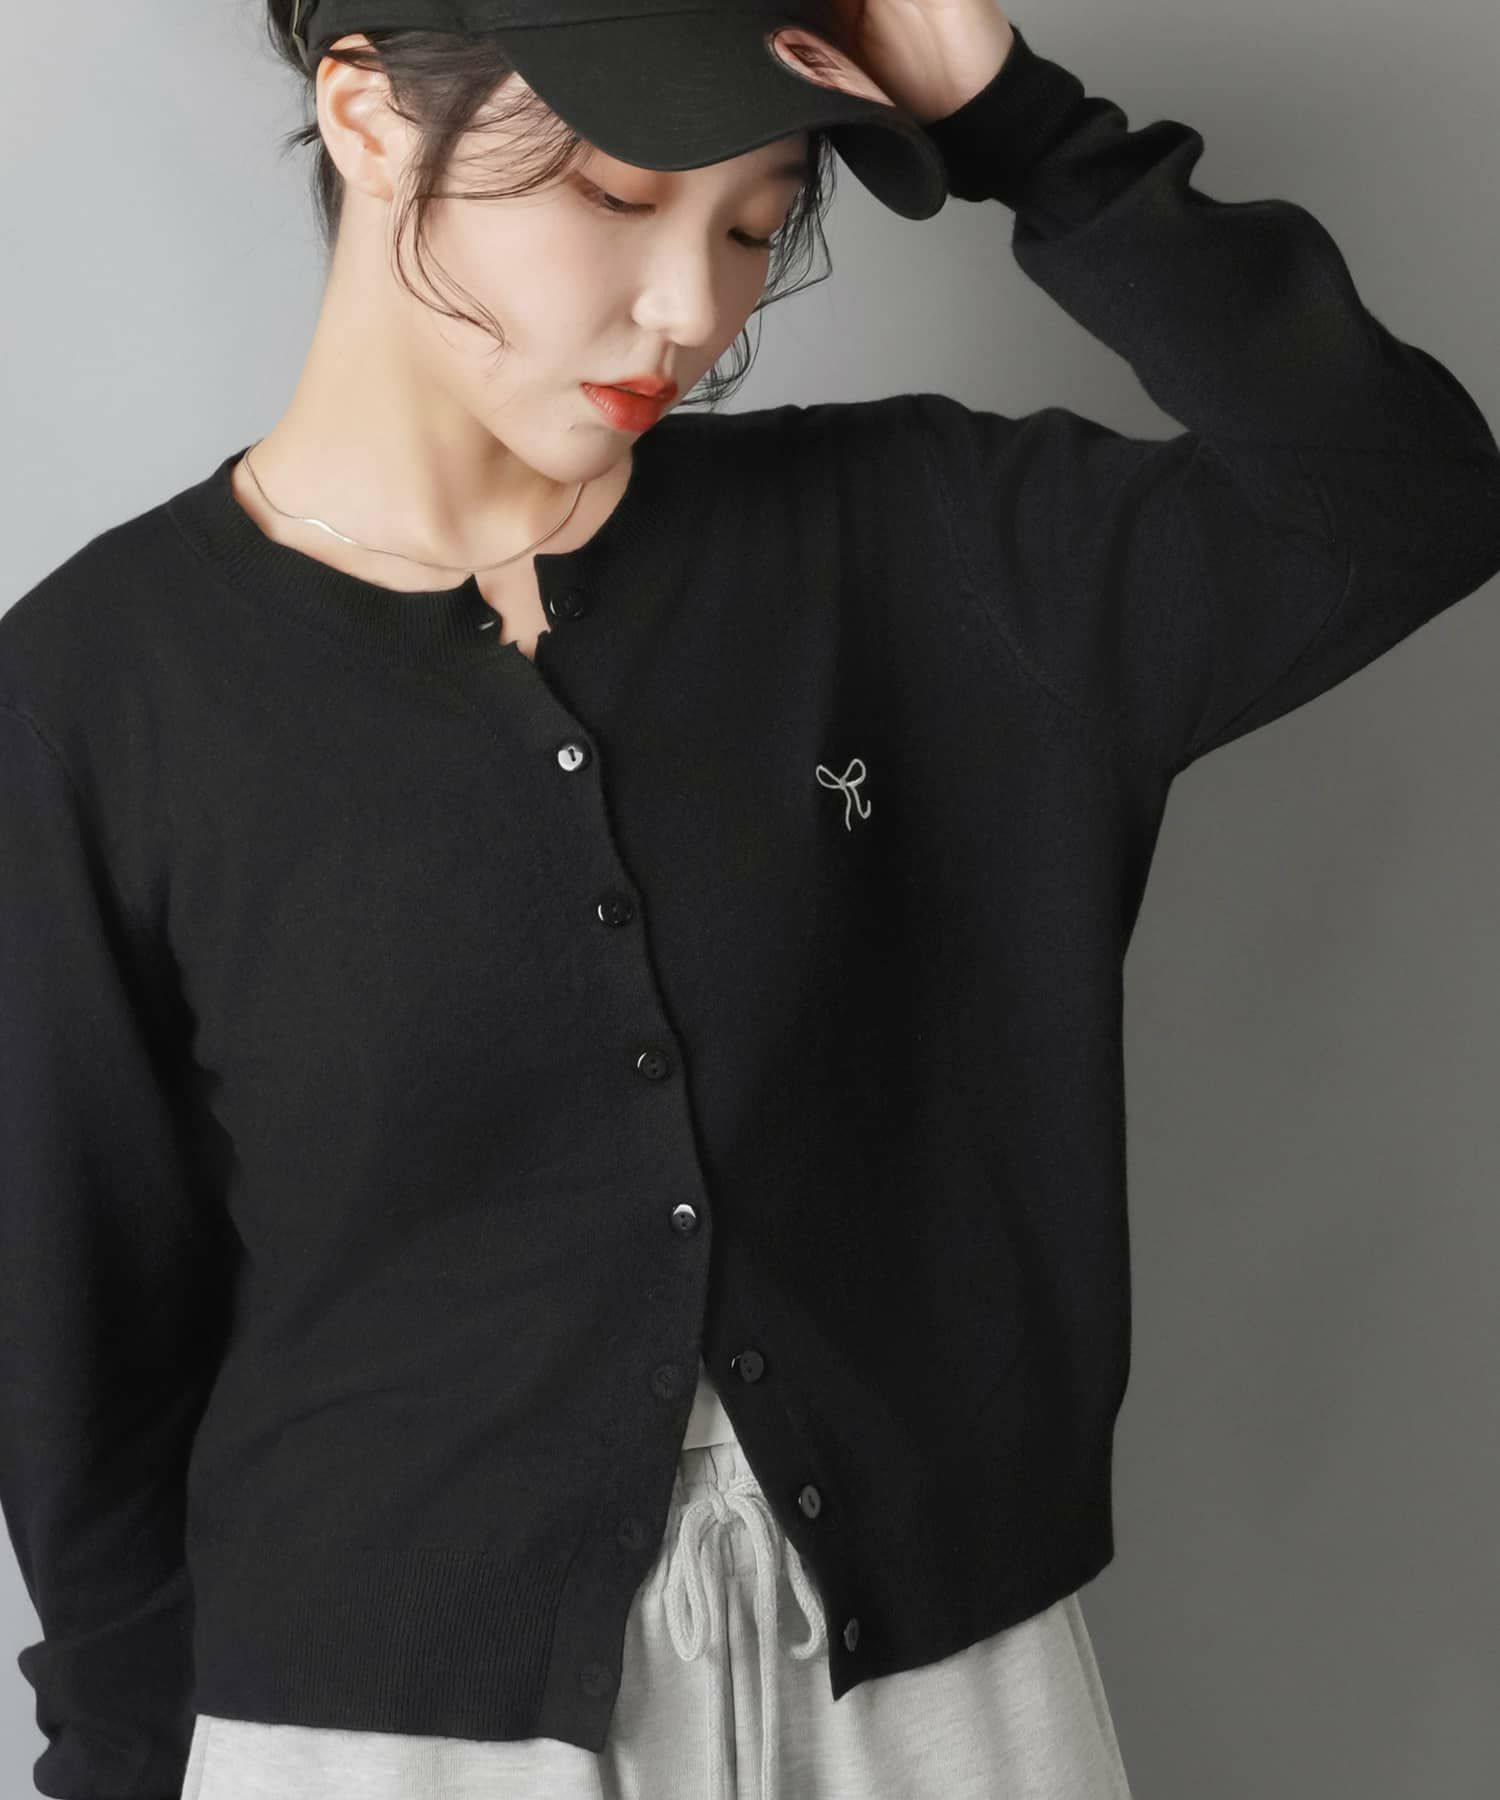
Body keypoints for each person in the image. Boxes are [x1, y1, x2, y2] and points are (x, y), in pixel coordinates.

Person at [2, 3, 1496, 1798]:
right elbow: (79, 1350)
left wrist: (1020, 124)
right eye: (619, 196)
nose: (691, 311)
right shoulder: (97, 696)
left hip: (931, 1701)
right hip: (379, 1735)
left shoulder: (921, 543)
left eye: (754, 224)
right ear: (372, 117)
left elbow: (1399, 506)